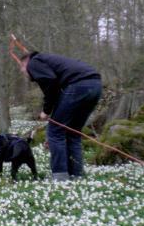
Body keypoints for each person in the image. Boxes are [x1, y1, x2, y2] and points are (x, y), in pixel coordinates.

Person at [19, 52, 102, 182]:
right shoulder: (48, 61)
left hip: (78, 85)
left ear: (25, 63)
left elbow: (50, 82)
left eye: (22, 68)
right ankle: (77, 175)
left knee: (55, 131)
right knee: (72, 132)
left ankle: (60, 178)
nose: (23, 72)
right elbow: (56, 87)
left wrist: (46, 110)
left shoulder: (34, 62)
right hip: (95, 85)